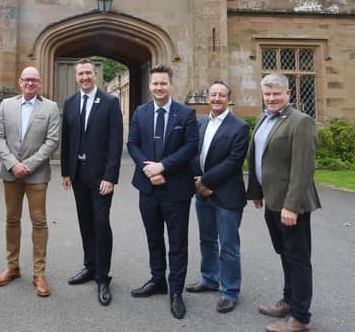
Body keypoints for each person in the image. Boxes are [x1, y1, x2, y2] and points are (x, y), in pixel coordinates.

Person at [247, 73, 321, 332]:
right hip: (272, 201)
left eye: (276, 94)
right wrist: (256, 192)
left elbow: (303, 169)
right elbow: (258, 156)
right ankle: (289, 300)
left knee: (298, 258)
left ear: (288, 94)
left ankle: (300, 317)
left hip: (292, 205)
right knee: (285, 254)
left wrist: (292, 206)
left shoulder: (301, 122)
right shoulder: (263, 117)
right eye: (267, 94)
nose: (271, 98)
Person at [127, 64, 198, 319]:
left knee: (177, 243)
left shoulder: (186, 114)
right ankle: (158, 280)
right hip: (147, 188)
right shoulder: (140, 112)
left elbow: (191, 147)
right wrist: (148, 169)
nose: (158, 88)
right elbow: (132, 144)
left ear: (171, 85)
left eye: (163, 83)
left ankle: (176, 291)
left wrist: (163, 167)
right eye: (155, 84)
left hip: (176, 189)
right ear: (150, 85)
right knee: (154, 237)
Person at [0, 66, 60, 297]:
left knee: (39, 221)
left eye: (34, 80)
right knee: (12, 220)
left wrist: (28, 165)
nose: (30, 83)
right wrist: (13, 163)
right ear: (20, 82)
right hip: (11, 173)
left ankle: (39, 273)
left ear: (39, 83)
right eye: (26, 80)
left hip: (36, 175)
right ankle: (12, 267)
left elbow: (52, 141)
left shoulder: (50, 107)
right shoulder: (6, 105)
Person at [61, 58, 123, 306]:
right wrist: (66, 171)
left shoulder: (110, 102)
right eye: (81, 74)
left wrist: (110, 176)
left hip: (101, 178)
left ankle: (102, 276)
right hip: (78, 175)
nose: (85, 77)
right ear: (76, 77)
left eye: (88, 73)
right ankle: (89, 266)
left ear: (95, 74)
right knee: (85, 222)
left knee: (101, 223)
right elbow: (66, 140)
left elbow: (115, 142)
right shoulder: (71, 102)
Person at [185, 81, 249, 314]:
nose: (217, 98)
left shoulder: (239, 127)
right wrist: (197, 181)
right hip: (202, 194)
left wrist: (206, 182)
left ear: (229, 99)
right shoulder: (200, 123)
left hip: (226, 195)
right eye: (213, 95)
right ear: (208, 98)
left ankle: (230, 291)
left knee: (229, 246)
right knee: (207, 239)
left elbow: (233, 162)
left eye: (222, 95)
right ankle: (210, 278)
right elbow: (193, 153)